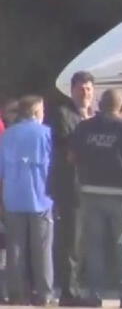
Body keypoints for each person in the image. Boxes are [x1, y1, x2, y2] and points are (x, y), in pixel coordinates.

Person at [69, 89, 122, 308]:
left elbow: (72, 156)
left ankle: (94, 295)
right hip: (120, 193)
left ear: (99, 105)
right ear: (121, 107)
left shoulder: (84, 127)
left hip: (90, 191)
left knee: (94, 245)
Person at [46, 71, 95, 306]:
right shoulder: (63, 115)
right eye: (81, 88)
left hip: (94, 187)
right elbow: (68, 150)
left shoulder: (96, 117)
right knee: (71, 241)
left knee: (87, 241)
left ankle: (85, 287)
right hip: (70, 186)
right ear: (72, 90)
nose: (85, 93)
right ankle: (69, 291)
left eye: (89, 88)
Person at [0, 95, 54, 305]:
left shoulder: (8, 136)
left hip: (13, 199)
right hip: (41, 199)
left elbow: (1, 172)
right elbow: (54, 167)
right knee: (42, 250)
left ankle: (16, 293)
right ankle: (43, 295)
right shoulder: (46, 133)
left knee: (15, 249)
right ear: (36, 112)